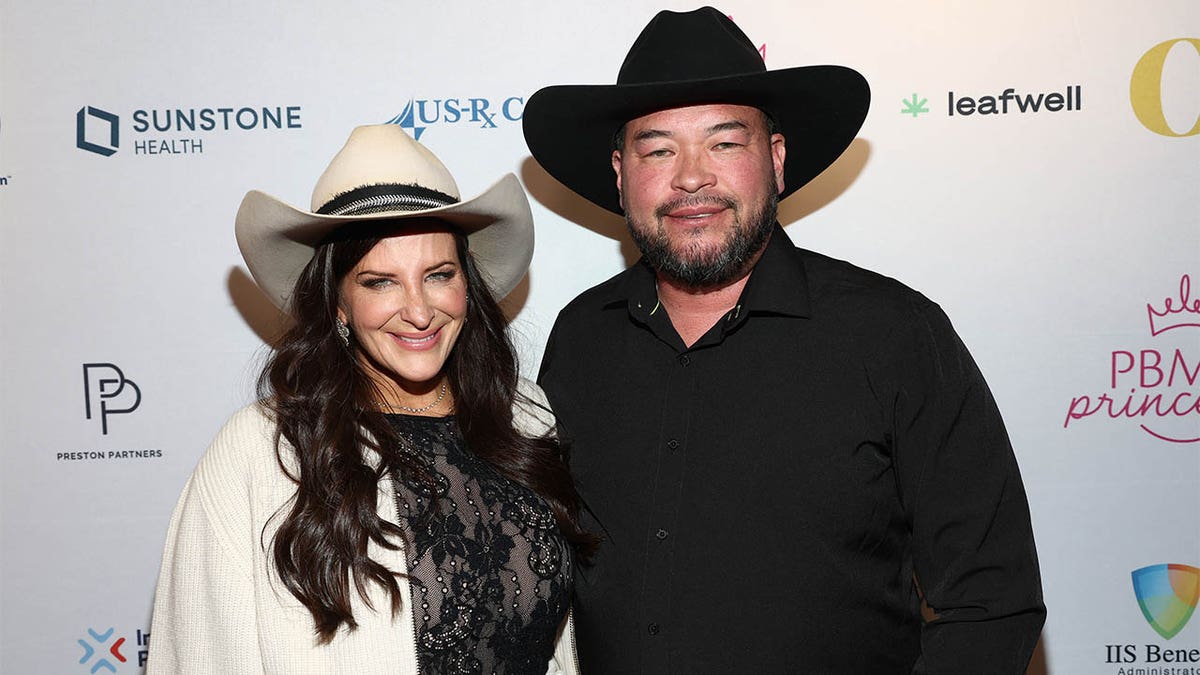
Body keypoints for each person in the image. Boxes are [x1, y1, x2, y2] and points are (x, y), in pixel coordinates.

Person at [522, 7, 1045, 674]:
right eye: (658, 149)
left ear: (775, 160)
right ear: (621, 174)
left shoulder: (893, 334)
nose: (690, 177)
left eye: (724, 143)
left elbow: (991, 598)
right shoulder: (580, 337)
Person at [147, 125, 591, 674]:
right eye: (380, 282)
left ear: (466, 285)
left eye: (439, 275)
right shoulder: (263, 449)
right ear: (338, 303)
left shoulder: (525, 415)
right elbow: (202, 653)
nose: (419, 311)